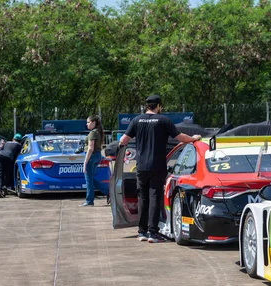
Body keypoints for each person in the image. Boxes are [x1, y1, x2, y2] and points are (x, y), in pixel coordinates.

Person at [119, 95, 201, 243]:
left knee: (142, 197)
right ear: (159, 106)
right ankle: (153, 233)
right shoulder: (163, 120)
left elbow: (123, 140)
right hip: (157, 165)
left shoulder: (136, 120)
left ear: (146, 106)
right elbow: (180, 137)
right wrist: (193, 138)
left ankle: (141, 232)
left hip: (141, 166)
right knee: (155, 197)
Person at [80, 115, 105, 207]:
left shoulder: (92, 133)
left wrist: (85, 162)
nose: (87, 124)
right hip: (97, 155)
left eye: (88, 122)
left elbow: (90, 148)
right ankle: (108, 192)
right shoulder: (98, 132)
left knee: (88, 180)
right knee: (90, 178)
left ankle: (89, 200)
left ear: (94, 123)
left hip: (92, 156)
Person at [0, 133, 23, 198]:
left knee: (0, 173)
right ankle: (6, 187)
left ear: (13, 139)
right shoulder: (19, 145)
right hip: (8, 157)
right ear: (20, 140)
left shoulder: (6, 142)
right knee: (8, 173)